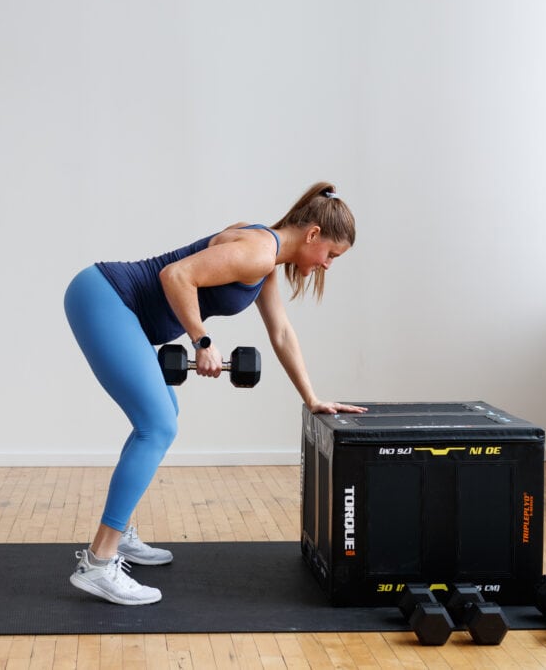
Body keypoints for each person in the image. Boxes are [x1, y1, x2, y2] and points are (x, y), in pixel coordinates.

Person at [62, 181, 367, 605]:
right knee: (157, 426)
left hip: (111, 300)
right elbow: (177, 275)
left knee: (161, 415)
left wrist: (311, 397)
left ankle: (120, 533)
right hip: (107, 299)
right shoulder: (259, 251)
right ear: (313, 234)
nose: (328, 264)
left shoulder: (266, 258)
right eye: (331, 254)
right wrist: (202, 341)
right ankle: (98, 563)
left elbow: (280, 333)